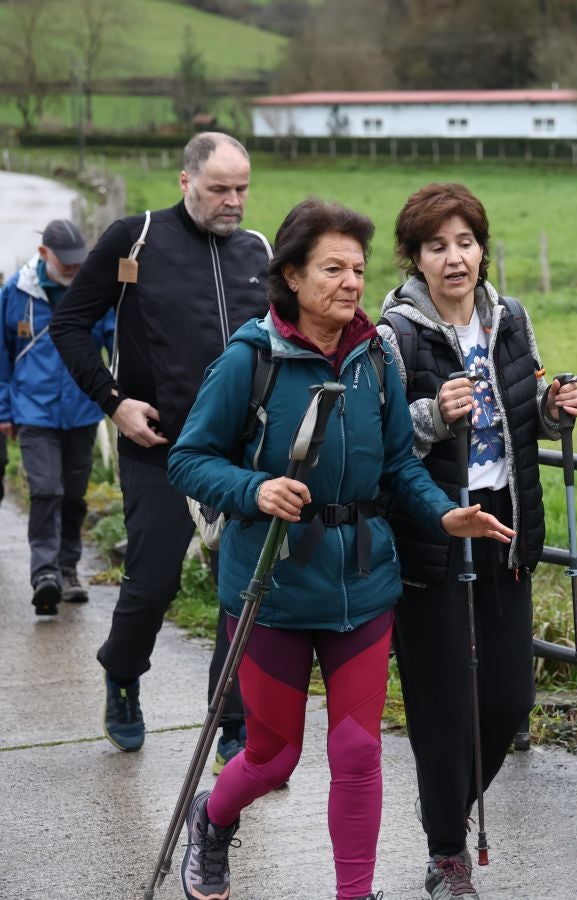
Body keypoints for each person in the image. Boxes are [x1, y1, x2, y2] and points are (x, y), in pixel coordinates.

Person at [168, 197, 513, 900]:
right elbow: (189, 459)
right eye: (332, 268)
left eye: (357, 268)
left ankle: (352, 894)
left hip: (362, 581)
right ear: (291, 275)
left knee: (357, 751)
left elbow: (397, 467)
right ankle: (211, 821)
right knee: (271, 756)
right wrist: (255, 491)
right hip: (272, 585)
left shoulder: (375, 356)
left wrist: (444, 516)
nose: (350, 281)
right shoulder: (250, 359)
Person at [377, 182, 577, 900]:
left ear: (482, 248)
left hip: (505, 525)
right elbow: (379, 438)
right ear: (415, 258)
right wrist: (434, 413)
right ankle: (446, 852)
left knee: (507, 701)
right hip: (434, 529)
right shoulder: (395, 335)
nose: (455, 257)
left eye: (465, 242)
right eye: (438, 246)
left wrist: (553, 410)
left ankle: (445, 812)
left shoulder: (509, 318)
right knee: (441, 705)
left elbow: (523, 413)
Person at [50, 132, 265, 760]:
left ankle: (232, 722)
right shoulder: (134, 238)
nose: (233, 202)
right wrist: (114, 402)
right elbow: (69, 325)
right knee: (152, 584)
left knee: (244, 585)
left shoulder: (258, 250)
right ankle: (122, 673)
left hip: (241, 454)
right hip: (161, 446)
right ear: (185, 181)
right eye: (219, 188)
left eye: (242, 189)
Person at [0, 219, 113, 615]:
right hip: (34, 409)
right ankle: (44, 573)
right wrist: (3, 409)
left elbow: (116, 341)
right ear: (44, 253)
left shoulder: (93, 293)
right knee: (46, 489)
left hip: (82, 409)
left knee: (74, 496)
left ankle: (69, 570)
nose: (72, 269)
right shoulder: (15, 293)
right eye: (64, 262)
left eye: (78, 262)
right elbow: (2, 354)